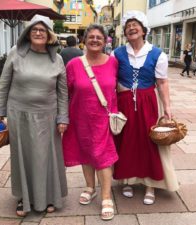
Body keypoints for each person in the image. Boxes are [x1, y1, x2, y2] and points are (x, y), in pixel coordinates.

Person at [0, 14, 69, 217]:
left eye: (42, 30)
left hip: (48, 116)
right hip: (19, 114)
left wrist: (63, 117)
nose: (37, 33)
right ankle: (23, 198)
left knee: (46, 158)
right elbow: (4, 84)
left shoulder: (57, 59)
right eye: (34, 29)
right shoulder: (16, 53)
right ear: (28, 32)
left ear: (49, 35)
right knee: (23, 157)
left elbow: (62, 92)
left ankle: (50, 196)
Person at [113, 10, 179, 205]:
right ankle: (128, 180)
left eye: (135, 25)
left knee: (148, 141)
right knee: (126, 140)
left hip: (148, 102)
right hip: (124, 102)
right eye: (128, 26)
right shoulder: (117, 53)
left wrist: (167, 107)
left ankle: (151, 184)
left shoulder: (157, 54)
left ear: (143, 30)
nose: (131, 28)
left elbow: (162, 83)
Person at [62, 24, 118, 221]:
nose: (95, 40)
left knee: (102, 155)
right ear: (84, 40)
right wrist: (62, 117)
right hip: (80, 117)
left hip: (104, 117)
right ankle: (90, 187)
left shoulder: (113, 62)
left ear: (105, 42)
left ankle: (105, 196)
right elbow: (64, 93)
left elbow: (115, 90)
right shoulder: (74, 65)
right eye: (91, 37)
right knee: (85, 152)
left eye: (99, 38)